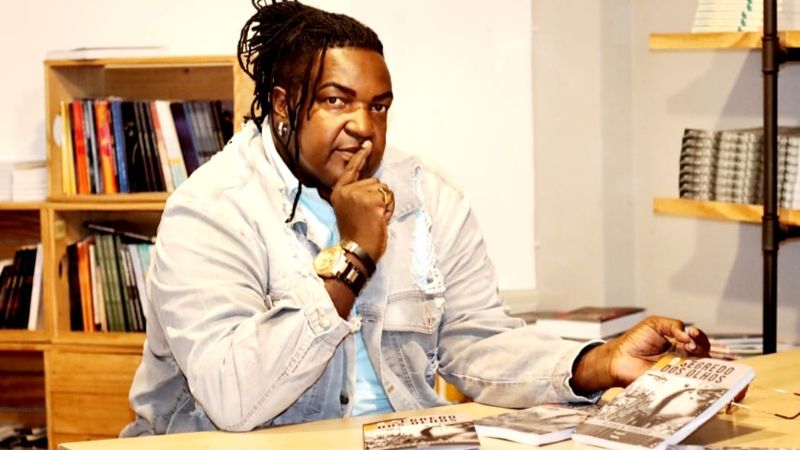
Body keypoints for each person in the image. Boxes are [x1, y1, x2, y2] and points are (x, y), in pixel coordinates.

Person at [121, 0, 710, 436]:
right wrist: (354, 257)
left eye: (378, 106)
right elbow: (233, 398)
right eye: (335, 100)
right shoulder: (211, 210)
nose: (363, 126)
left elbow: (475, 341)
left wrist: (599, 363)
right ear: (282, 103)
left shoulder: (426, 195)